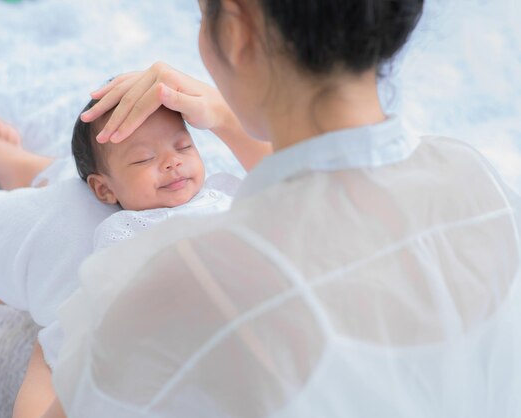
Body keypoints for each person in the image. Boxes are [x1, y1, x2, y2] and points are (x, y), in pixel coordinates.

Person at [44, 0, 518, 417]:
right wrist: (230, 118)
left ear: (234, 27)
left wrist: (44, 353)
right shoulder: (479, 176)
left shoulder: (191, 275)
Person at [0, 97, 239, 416]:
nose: (173, 161)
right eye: (144, 158)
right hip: (108, 318)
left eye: (183, 146)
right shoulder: (116, 237)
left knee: (73, 200)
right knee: (70, 214)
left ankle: (19, 168)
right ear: (104, 188)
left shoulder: (220, 196)